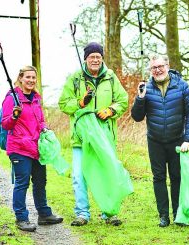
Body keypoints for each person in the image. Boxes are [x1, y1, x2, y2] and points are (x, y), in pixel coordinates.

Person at [58, 42, 128, 226]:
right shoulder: (75, 79)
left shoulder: (111, 77)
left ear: (102, 58)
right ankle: (82, 213)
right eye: (91, 57)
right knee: (79, 175)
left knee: (107, 174)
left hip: (105, 137)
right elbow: (64, 103)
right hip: (81, 139)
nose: (95, 60)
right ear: (86, 58)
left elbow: (123, 100)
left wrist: (111, 110)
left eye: (98, 56)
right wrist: (80, 103)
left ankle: (110, 212)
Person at [131, 54, 189, 227]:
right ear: (150, 70)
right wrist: (140, 97)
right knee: (158, 177)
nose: (158, 70)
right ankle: (163, 216)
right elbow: (137, 117)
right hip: (155, 140)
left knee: (176, 177)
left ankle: (177, 214)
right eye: (154, 68)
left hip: (177, 140)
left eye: (160, 66)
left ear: (168, 66)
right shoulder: (146, 88)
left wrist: (188, 139)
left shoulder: (182, 86)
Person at [2, 65, 63, 232]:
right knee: (22, 183)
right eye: (27, 77)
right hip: (19, 148)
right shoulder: (12, 98)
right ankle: (21, 218)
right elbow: (6, 124)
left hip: (36, 147)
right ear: (20, 78)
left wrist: (45, 128)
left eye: (33, 78)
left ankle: (44, 214)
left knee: (40, 181)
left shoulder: (36, 98)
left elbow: (40, 120)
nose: (30, 80)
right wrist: (14, 115)